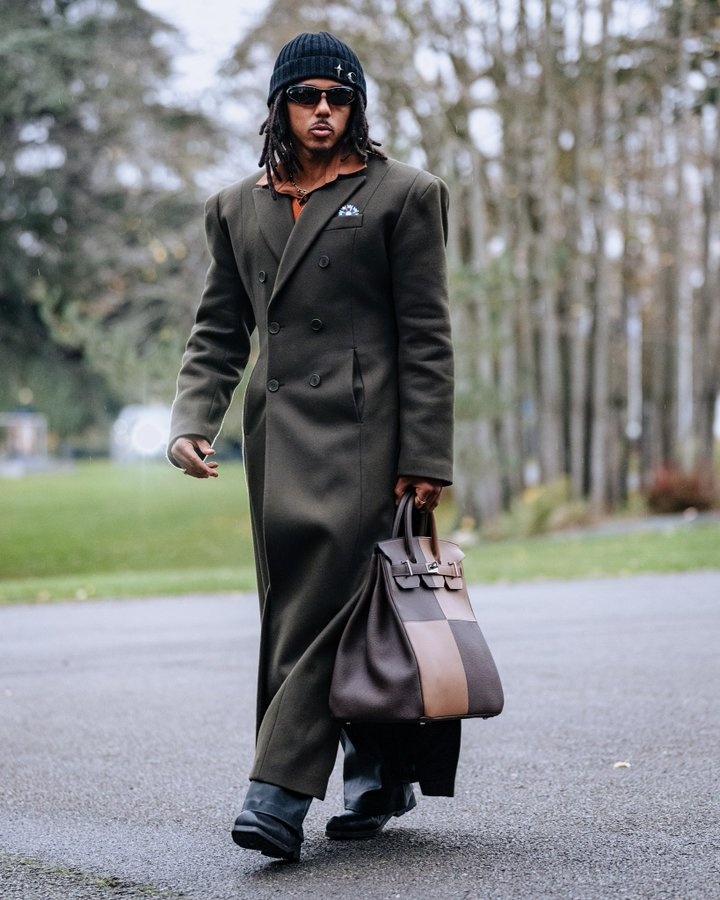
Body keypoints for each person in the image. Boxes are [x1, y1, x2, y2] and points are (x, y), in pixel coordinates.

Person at [168, 31, 456, 862]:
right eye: (306, 97)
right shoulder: (234, 207)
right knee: (311, 606)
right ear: (279, 108)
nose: (322, 110)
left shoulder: (405, 194)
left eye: (338, 98)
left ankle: (278, 792)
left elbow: (427, 336)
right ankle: (381, 770)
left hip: (370, 434)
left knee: (327, 606)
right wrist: (192, 420)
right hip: (279, 437)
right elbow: (219, 330)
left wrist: (426, 455)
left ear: (355, 108)